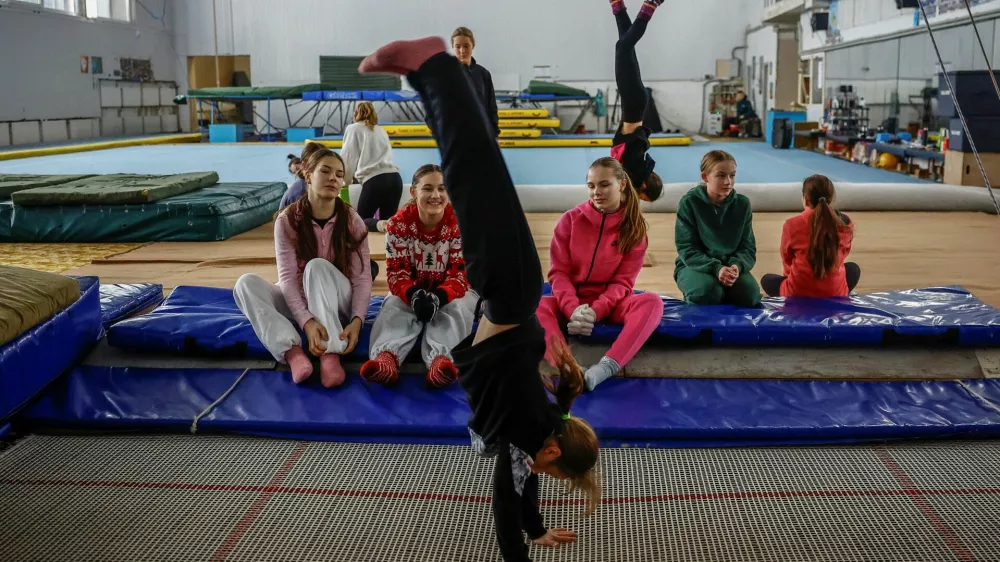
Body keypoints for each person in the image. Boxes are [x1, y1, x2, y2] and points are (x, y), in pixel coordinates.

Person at [360, 36, 600, 562]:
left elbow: (526, 485)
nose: (541, 473)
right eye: (553, 469)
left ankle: (432, 74)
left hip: (514, 295)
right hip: (507, 298)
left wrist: (536, 530)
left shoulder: (543, 430)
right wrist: (521, 548)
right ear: (553, 451)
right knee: (471, 175)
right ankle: (433, 66)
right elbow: (505, 503)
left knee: (485, 168)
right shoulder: (525, 438)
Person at [234, 147, 373, 388]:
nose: (333, 178)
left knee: (316, 266)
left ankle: (329, 352)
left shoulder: (351, 220)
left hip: (336, 302)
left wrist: (357, 320)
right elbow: (287, 278)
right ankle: (292, 352)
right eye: (326, 171)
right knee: (245, 284)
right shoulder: (288, 220)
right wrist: (306, 321)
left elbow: (362, 278)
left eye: (339, 174)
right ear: (308, 175)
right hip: (300, 302)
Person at [536, 157, 663, 392]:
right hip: (572, 302)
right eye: (591, 186)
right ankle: (568, 368)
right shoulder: (570, 220)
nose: (597, 192)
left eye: (605, 185)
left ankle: (605, 368)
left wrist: (596, 311)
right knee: (538, 306)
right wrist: (572, 308)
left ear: (622, 184)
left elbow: (623, 283)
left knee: (651, 303)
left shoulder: (634, 228)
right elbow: (559, 274)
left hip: (610, 304)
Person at [361, 164, 478, 388]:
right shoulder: (397, 224)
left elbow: (460, 275)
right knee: (393, 306)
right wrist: (414, 295)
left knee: (456, 309)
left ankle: (440, 361)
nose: (436, 195)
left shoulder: (461, 224)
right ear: (414, 193)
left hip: (452, 291)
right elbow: (397, 274)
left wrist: (439, 298)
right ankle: (387, 358)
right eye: (428, 189)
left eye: (442, 189)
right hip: (412, 289)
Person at [674, 150, 761, 307]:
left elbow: (747, 247)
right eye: (721, 176)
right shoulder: (689, 203)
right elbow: (686, 248)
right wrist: (716, 268)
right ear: (705, 177)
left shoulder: (742, 204)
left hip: (730, 266)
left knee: (750, 296)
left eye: (732, 175)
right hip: (695, 265)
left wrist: (737, 266)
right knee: (707, 292)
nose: (728, 181)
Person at [761, 175, 861, 298]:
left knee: (767, 280)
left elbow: (787, 257)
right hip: (835, 292)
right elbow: (843, 254)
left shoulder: (792, 224)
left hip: (798, 293)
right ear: (830, 198)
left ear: (805, 199)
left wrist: (792, 278)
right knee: (853, 269)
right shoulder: (845, 222)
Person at [607, 0, 664, 203]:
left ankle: (617, 4)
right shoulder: (636, 169)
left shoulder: (637, 167)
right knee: (623, 47)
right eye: (642, 196)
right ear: (644, 185)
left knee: (625, 45)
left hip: (635, 103)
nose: (638, 198)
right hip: (633, 102)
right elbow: (627, 187)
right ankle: (650, 6)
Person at [340, 101, 404, 233]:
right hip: (395, 179)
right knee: (390, 228)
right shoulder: (381, 130)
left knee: (361, 221)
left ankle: (379, 226)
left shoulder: (353, 128)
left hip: (375, 180)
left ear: (355, 114)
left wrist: (345, 181)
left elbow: (349, 156)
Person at [451, 27, 500, 138]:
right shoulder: (445, 75)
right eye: (458, 47)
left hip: (481, 135)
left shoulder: (483, 74)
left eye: (466, 46)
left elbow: (491, 106)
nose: (462, 51)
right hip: (455, 137)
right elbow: (433, 110)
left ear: (473, 45)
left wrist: (494, 132)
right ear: (453, 47)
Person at [279, 142, 325, 210]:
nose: (297, 173)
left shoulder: (317, 185)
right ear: (304, 166)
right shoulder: (301, 191)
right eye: (294, 172)